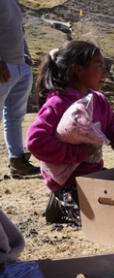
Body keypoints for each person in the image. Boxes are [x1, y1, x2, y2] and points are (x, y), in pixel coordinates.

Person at [27, 41, 114, 226]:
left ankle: (63, 204)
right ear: (78, 69)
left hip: (93, 176)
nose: (105, 72)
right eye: (99, 66)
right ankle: (60, 202)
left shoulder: (98, 100)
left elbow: (112, 127)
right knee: (103, 221)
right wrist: (78, 154)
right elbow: (35, 141)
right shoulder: (57, 103)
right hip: (69, 183)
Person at [0, 0, 40, 177]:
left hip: (21, 66)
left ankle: (17, 162)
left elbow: (19, 31)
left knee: (15, 117)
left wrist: (27, 58)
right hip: (4, 66)